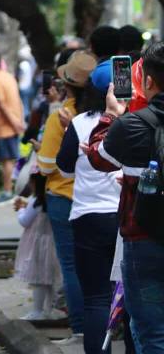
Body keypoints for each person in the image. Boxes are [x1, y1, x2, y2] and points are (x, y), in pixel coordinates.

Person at [86, 41, 164, 352]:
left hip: (142, 240)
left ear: (147, 80)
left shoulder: (132, 124)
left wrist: (111, 114)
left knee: (151, 331)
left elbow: (98, 157)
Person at [56, 76, 118, 354]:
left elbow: (65, 168)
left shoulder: (80, 123)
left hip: (87, 217)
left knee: (96, 299)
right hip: (125, 219)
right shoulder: (137, 120)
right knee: (130, 301)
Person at [37, 49, 90, 346]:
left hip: (61, 197)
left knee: (71, 266)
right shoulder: (104, 114)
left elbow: (45, 165)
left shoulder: (62, 116)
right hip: (94, 200)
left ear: (66, 85)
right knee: (95, 266)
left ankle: (80, 329)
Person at [12, 170, 63, 321]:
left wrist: (20, 209)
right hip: (51, 242)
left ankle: (37, 311)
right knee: (48, 279)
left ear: (35, 183)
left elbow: (24, 221)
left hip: (37, 243)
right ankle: (49, 309)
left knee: (38, 279)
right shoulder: (51, 200)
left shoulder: (36, 201)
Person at [0, 50, 25, 202]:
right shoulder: (8, 76)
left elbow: (1, 104)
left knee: (6, 160)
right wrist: (19, 121)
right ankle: (11, 189)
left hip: (5, 126)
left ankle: (8, 190)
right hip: (14, 122)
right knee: (10, 159)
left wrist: (14, 123)